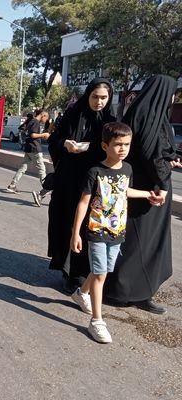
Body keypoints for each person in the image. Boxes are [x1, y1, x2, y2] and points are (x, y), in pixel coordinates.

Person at [69, 122, 154, 343]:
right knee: (100, 274)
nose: (123, 149)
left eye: (126, 144)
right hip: (96, 230)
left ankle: (81, 293)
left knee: (103, 269)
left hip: (118, 231)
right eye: (117, 145)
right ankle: (97, 321)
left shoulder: (127, 169)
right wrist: (75, 233)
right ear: (105, 146)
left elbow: (125, 191)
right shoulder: (95, 171)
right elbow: (83, 203)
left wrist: (147, 194)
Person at [105, 75, 180, 314]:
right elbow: (152, 155)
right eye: (172, 93)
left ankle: (121, 289)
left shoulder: (138, 111)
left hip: (135, 186)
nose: (172, 98)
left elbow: (153, 152)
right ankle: (135, 293)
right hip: (151, 191)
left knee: (132, 241)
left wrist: (170, 159)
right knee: (144, 243)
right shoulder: (153, 117)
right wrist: (164, 185)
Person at [47, 78, 115, 293]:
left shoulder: (110, 121)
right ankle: (70, 272)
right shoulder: (72, 115)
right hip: (69, 181)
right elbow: (54, 140)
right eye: (95, 97)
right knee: (68, 222)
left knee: (90, 226)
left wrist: (92, 148)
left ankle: (85, 271)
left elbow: (113, 149)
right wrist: (64, 144)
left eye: (104, 97)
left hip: (94, 182)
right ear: (88, 96)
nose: (99, 102)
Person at [6, 109, 50, 206]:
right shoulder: (36, 122)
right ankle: (45, 189)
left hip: (29, 148)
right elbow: (33, 135)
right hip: (35, 149)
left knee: (23, 167)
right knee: (42, 169)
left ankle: (12, 184)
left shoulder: (31, 121)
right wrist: (44, 135)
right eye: (46, 118)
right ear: (43, 115)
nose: (46, 120)